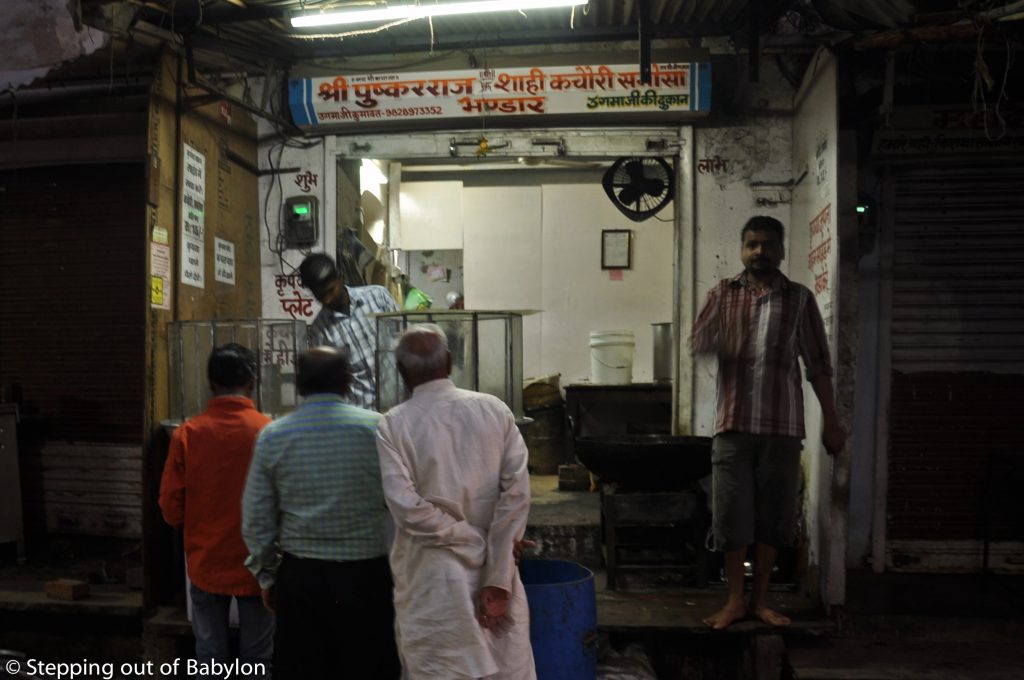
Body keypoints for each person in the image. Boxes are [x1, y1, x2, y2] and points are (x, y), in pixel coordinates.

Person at [690, 215, 846, 631]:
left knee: (773, 519)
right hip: (733, 427)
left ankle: (760, 602)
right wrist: (720, 339)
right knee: (730, 518)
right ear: (742, 250)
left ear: (780, 250)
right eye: (752, 244)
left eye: (767, 244)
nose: (759, 252)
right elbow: (698, 341)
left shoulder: (799, 299)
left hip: (782, 428)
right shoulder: (722, 294)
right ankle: (735, 601)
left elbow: (818, 365)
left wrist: (832, 421)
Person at [376, 324, 535, 680]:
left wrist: (474, 543)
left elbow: (409, 512)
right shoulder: (494, 410)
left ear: (401, 373)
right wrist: (496, 569)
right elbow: (517, 495)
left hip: (433, 583)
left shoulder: (393, 425)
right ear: (449, 362)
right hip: (496, 577)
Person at [241, 347, 400, 680]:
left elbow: (257, 518)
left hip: (302, 578)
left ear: (299, 385)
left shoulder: (274, 435)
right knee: (369, 666)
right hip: (367, 577)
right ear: (348, 383)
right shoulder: (378, 429)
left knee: (304, 668)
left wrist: (267, 574)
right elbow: (402, 503)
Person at [158, 343, 274, 677]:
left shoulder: (187, 434)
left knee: (210, 658)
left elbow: (170, 506)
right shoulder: (269, 431)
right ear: (253, 381)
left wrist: (193, 527)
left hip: (205, 562)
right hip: (259, 567)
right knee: (258, 659)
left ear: (211, 383)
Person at [298, 252, 399, 410]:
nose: (327, 299)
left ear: (340, 278)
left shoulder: (378, 298)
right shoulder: (319, 332)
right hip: (362, 414)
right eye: (320, 296)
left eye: (330, 290)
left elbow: (403, 341)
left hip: (398, 404)